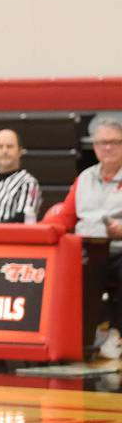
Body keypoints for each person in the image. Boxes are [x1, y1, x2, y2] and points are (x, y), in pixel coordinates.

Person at [50, 118, 122, 360]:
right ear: (95, 146)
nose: (108, 148)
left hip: (117, 249)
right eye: (102, 142)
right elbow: (65, 219)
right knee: (65, 270)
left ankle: (115, 332)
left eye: (114, 142)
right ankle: (75, 339)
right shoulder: (84, 179)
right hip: (84, 250)